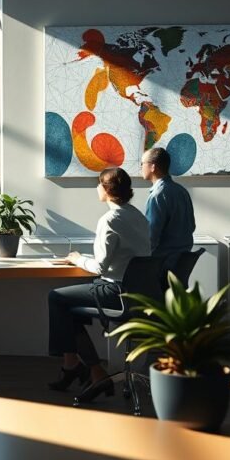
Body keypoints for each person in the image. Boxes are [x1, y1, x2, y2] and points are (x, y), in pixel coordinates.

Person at [47, 168, 151, 403]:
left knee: (56, 297)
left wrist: (77, 259)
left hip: (115, 292)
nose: (96, 188)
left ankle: (88, 370)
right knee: (69, 308)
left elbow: (101, 267)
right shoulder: (137, 216)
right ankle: (76, 367)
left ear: (106, 189)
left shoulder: (110, 219)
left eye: (98, 184)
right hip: (138, 293)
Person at [140, 147, 195, 271]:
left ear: (153, 167)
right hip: (180, 263)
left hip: (162, 265)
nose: (141, 167)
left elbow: (151, 237)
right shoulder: (181, 191)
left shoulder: (157, 196)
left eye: (142, 164)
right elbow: (191, 226)